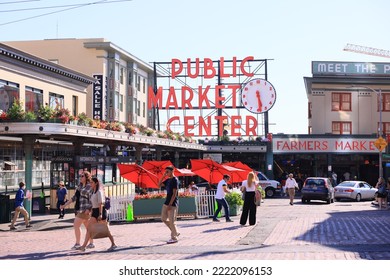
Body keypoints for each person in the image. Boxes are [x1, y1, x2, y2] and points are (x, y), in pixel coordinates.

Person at [78, 177, 117, 252]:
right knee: (89, 228)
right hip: (94, 212)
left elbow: (100, 204)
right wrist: (91, 212)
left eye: (92, 182)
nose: (90, 184)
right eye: (90, 182)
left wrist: (100, 214)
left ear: (96, 183)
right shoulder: (93, 192)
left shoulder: (99, 192)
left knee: (106, 230)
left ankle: (113, 244)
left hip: (100, 211)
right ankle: (83, 246)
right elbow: (93, 204)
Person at [61, 171, 93, 249]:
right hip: (80, 209)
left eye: (82, 176)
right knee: (88, 227)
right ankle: (91, 243)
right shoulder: (80, 186)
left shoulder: (89, 186)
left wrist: (89, 209)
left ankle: (78, 243)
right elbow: (74, 198)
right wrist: (65, 205)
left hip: (85, 210)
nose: (80, 178)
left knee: (76, 225)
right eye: (80, 176)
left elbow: (92, 199)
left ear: (86, 177)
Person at [158, 165, 180, 244]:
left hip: (172, 203)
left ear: (172, 171)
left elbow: (175, 194)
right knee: (163, 218)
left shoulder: (175, 180)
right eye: (165, 171)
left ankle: (174, 238)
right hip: (166, 202)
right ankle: (176, 231)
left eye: (167, 172)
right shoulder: (167, 180)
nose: (166, 173)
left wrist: (170, 204)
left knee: (172, 221)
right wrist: (163, 176)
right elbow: (159, 185)